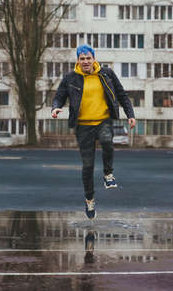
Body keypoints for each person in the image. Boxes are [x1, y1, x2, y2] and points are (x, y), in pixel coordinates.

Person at [51, 44, 136, 219]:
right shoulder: (71, 78)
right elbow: (59, 96)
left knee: (107, 141)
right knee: (87, 166)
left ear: (94, 59)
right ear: (78, 61)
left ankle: (108, 173)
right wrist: (55, 108)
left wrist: (130, 115)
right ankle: (89, 199)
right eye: (82, 59)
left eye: (89, 58)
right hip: (83, 126)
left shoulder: (106, 74)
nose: (86, 62)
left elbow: (122, 95)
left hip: (103, 120)